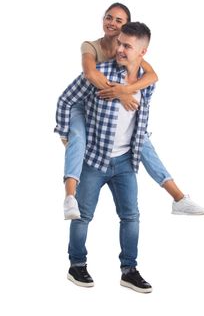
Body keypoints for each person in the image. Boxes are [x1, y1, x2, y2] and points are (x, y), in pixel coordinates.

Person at [61, 2, 204, 219]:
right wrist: (121, 93)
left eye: (118, 20)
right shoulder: (92, 46)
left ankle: (178, 199)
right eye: (108, 17)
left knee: (144, 145)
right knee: (77, 140)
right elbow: (90, 73)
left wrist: (125, 90)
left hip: (109, 108)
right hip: (83, 106)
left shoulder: (128, 47)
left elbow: (152, 76)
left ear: (126, 26)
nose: (112, 23)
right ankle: (69, 198)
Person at [55, 22, 155, 293]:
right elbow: (65, 100)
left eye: (127, 46)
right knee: (82, 215)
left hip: (125, 162)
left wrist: (125, 90)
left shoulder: (147, 83)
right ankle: (76, 265)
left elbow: (143, 110)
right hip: (94, 160)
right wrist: (68, 138)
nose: (119, 49)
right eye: (119, 43)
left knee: (131, 216)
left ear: (142, 52)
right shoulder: (98, 72)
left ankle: (129, 270)